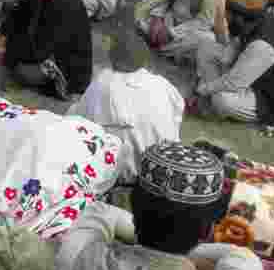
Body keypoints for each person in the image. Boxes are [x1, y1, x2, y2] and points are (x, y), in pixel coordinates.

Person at [49, 141, 263, 270]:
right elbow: (241, 256)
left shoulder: (79, 257)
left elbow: (101, 213)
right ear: (207, 230)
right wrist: (180, 247)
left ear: (133, 206)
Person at [66, 28, 185, 186]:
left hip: (117, 174)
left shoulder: (103, 82)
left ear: (112, 59)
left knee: (72, 118)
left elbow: (78, 123)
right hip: (160, 171)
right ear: (144, 61)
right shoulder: (163, 85)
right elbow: (176, 119)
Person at [193, 0, 274, 126]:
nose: (225, 19)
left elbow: (233, 83)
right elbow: (230, 53)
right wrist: (227, 57)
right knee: (206, 47)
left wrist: (202, 90)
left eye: (228, 14)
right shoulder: (253, 21)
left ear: (239, 17)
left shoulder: (262, 45)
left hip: (270, 100)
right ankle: (210, 93)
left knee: (221, 100)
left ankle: (210, 97)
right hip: (250, 78)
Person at [0, 0, 93, 100]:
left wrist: (8, 53)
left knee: (21, 71)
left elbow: (40, 50)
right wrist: (2, 36)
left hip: (67, 67)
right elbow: (19, 13)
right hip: (46, 47)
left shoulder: (64, 5)